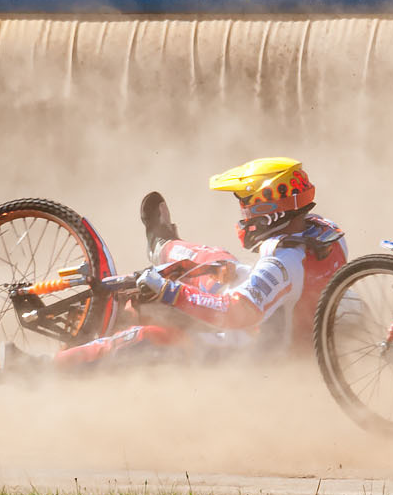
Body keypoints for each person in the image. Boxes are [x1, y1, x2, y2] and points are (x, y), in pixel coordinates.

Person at [19, 159, 349, 372]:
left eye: (246, 205)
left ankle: (40, 369)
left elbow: (235, 313)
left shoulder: (282, 264)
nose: (244, 215)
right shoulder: (324, 234)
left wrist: (170, 291)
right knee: (216, 260)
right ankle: (162, 246)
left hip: (250, 352)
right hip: (277, 324)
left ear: (270, 209)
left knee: (145, 338)